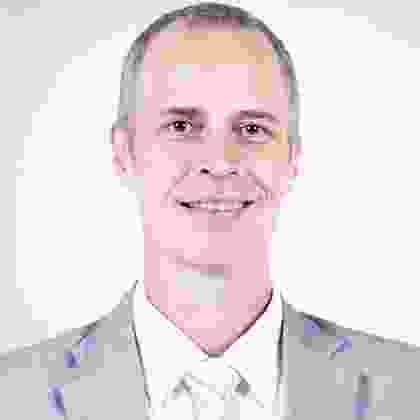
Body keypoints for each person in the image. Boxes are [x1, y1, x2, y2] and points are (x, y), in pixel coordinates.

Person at [2, 2, 419, 419]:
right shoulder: (12, 396)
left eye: (252, 129)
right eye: (181, 126)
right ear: (124, 152)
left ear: (293, 159)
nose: (220, 162)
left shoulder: (409, 391)